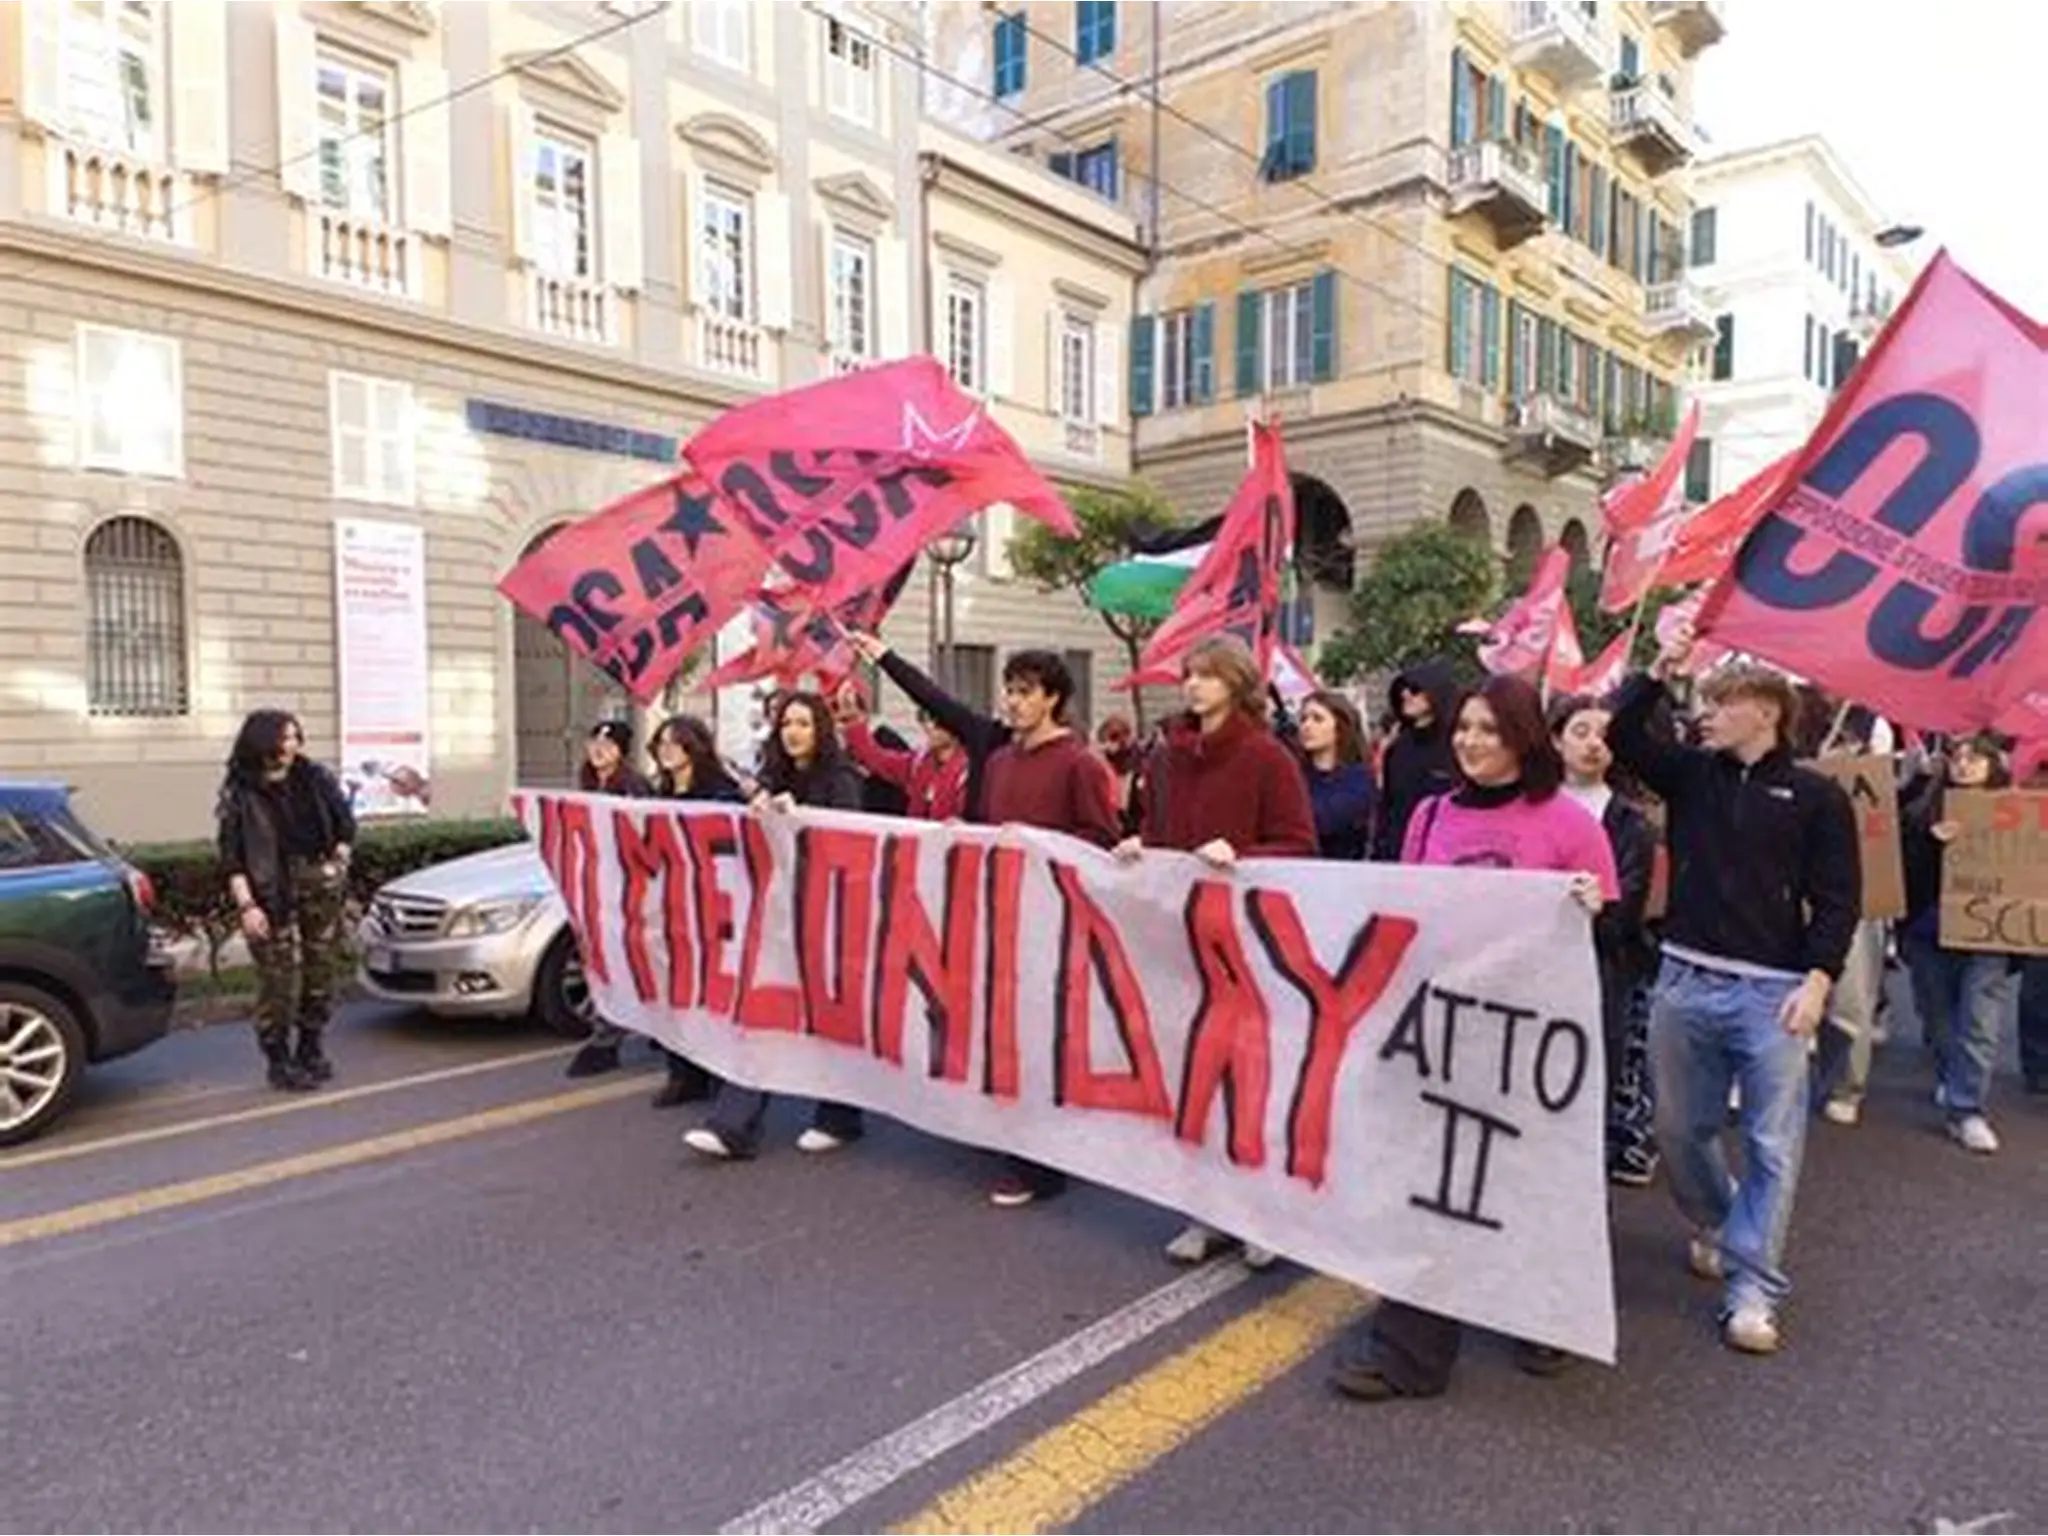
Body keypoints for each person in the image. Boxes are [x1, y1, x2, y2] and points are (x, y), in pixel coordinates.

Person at [1330, 675, 1617, 1402]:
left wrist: (1592, 908)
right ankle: (1410, 1354)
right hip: (1445, 1025)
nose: (1469, 740)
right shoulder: (1430, 815)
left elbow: (1614, 930)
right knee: (1433, 1185)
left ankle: (1544, 1312)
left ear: (1522, 738)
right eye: (1464, 727)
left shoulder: (1569, 823)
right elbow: (1408, 913)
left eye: (1489, 729)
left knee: (1525, 1179)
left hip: (1529, 1033)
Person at [1607, 623, 1860, 1357]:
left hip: (1772, 993)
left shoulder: (1816, 797)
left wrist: (1818, 981)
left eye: (1722, 703)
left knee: (1771, 1145)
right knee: (1679, 1130)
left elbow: (1838, 899)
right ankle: (1720, 1220)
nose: (1706, 715)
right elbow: (1622, 734)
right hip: (1684, 978)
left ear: (1766, 712)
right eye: (1705, 701)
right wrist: (1660, 668)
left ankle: (1753, 1289)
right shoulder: (1691, 775)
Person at [850, 632, 1121, 1207]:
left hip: (1050, 923)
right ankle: (1015, 1142)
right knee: (1000, 1034)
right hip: (997, 916)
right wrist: (967, 836)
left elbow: (1100, 841)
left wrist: (1037, 847)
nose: (1012, 702)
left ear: (1053, 698)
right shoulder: (997, 761)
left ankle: (1041, 1167)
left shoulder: (1080, 764)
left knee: (1038, 1041)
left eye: (1024, 692)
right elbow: (987, 822)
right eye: (1009, 691)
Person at [1116, 636, 1318, 1267]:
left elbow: (1300, 845)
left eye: (1207, 675)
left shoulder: (1268, 758)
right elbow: (1158, 831)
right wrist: (1139, 848)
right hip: (1181, 936)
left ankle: (1260, 1215)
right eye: (1188, 674)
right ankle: (1205, 1209)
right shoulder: (1167, 757)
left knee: (1248, 1080)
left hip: (1246, 942)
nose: (1193, 685)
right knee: (1192, 1078)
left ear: (1236, 683)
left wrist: (1244, 856)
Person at [683, 692, 868, 1160]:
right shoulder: (771, 776)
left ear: (821, 729)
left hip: (828, 916)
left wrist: (800, 819)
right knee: (764, 1011)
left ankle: (839, 1116)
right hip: (779, 915)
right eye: (786, 723)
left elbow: (849, 844)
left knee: (829, 1019)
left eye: (803, 723)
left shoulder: (842, 779)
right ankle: (734, 1125)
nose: (793, 732)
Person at [1549, 692, 1661, 1187]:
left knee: (1586, 1093)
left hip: (1600, 976)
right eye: (1580, 732)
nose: (1594, 744)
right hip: (1531, 975)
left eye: (1604, 735)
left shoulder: (1631, 824)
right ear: (1555, 740)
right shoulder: (1529, 809)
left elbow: (1623, 918)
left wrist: (1597, 909)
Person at [215, 710, 358, 1092]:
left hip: (318, 882)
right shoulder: (242, 792)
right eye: (285, 738)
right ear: (263, 742)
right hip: (270, 890)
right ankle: (278, 1058)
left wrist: (339, 860)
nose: (293, 745)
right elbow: (231, 857)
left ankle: (311, 1046)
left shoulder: (314, 778)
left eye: (296, 737)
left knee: (320, 967)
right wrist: (247, 906)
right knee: (277, 978)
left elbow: (345, 825)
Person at [1898, 733, 2022, 1155]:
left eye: (1975, 758)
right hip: (1929, 933)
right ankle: (1952, 1078)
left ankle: (1967, 1109)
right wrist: (1930, 844)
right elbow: (1899, 877)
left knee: (1979, 1022)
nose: (1965, 765)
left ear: (1994, 765)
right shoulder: (1920, 813)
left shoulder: (2017, 814)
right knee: (1939, 1019)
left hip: (1988, 936)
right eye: (1958, 758)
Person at [645, 714, 746, 1110]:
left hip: (710, 909)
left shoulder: (721, 795)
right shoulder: (660, 795)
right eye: (661, 743)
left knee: (712, 995)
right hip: (671, 906)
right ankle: (683, 1074)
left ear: (693, 746)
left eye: (674, 742)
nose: (666, 750)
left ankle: (719, 1073)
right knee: (675, 993)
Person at [565, 719, 653, 1078]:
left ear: (622, 752)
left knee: (625, 962)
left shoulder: (635, 787)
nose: (598, 750)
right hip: (596, 887)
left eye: (608, 744)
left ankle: (610, 1038)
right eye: (594, 742)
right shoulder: (587, 783)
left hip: (629, 890)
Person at [833, 680, 971, 823]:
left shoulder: (969, 771)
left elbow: (976, 818)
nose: (929, 726)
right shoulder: (918, 762)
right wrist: (854, 721)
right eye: (923, 717)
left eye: (938, 722)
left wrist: (963, 826)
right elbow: (877, 759)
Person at [1370, 660, 1460, 861]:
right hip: (1397, 852)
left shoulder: (1458, 744)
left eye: (1415, 689)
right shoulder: (1397, 748)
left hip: (1443, 851)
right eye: (1402, 689)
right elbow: (1388, 807)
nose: (1406, 694)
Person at [1296, 690, 1377, 861]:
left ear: (1340, 726)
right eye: (1303, 719)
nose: (1307, 726)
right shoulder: (1295, 773)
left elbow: (1325, 822)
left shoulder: (1358, 779)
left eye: (1318, 719)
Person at [1095, 714, 1147, 838]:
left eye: (1112, 739)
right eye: (1104, 741)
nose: (1107, 746)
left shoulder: (1140, 768)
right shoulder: (1104, 765)